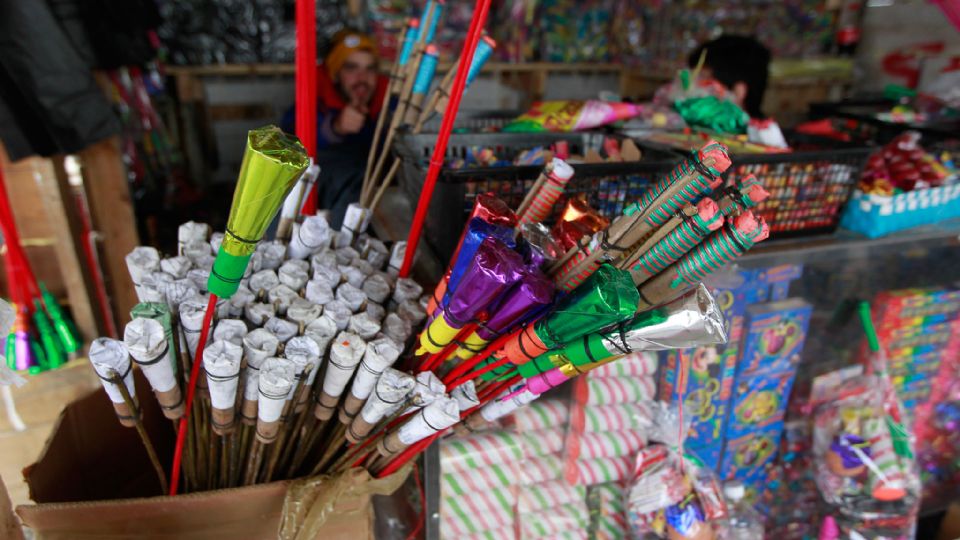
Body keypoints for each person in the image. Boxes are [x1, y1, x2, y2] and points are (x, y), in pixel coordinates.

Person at [281, 30, 388, 226]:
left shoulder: (389, 103)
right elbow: (288, 140)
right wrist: (335, 128)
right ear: (336, 73)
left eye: (370, 69)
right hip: (315, 189)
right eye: (351, 68)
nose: (362, 77)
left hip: (364, 196)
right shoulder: (314, 99)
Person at [686, 35, 787, 148]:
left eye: (704, 86)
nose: (690, 94)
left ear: (738, 92)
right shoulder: (696, 132)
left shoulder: (764, 139)